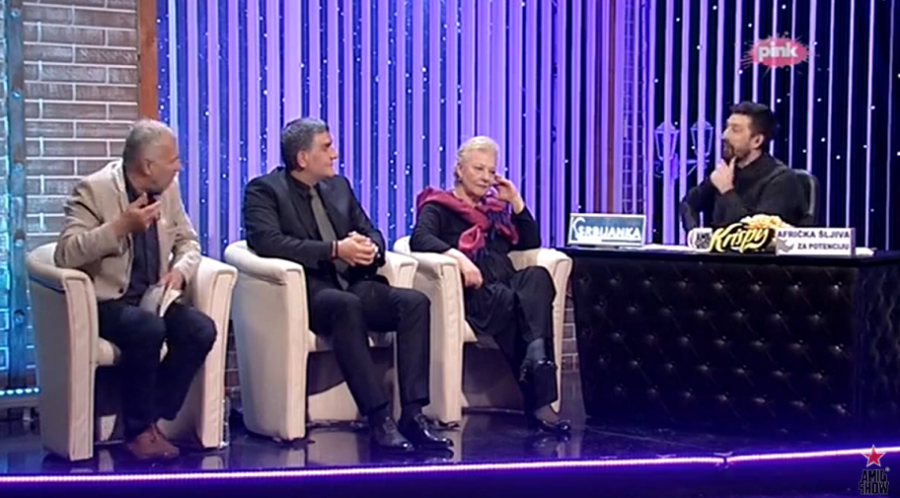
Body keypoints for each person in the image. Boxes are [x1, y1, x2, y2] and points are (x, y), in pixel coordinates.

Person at [242, 117, 452, 453]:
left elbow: (371, 230)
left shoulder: (338, 187)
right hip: (310, 292)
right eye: (326, 147)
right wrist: (334, 250)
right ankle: (379, 419)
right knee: (345, 305)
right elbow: (268, 241)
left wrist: (371, 249)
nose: (335, 154)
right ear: (302, 158)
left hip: (355, 283)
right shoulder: (264, 190)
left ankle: (413, 415)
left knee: (414, 303)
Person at [54, 120, 216, 461]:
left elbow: (189, 242)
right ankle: (138, 431)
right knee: (147, 328)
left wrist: (180, 271)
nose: (179, 167)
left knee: (200, 329)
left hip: (153, 296)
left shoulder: (168, 190)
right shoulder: (93, 190)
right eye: (173, 159)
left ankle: (152, 415)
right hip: (107, 300)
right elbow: (66, 253)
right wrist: (119, 228)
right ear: (147, 165)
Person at [409, 136, 571, 434]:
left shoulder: (495, 209)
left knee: (537, 277)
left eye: (491, 171)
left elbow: (530, 243)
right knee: (512, 302)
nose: (486, 177)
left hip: (506, 284)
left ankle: (536, 355)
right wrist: (458, 257)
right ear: (459, 170)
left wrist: (516, 201)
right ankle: (540, 402)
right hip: (476, 293)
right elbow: (419, 238)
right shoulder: (438, 206)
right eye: (478, 169)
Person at [679, 101, 810, 231]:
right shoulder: (727, 170)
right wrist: (695, 233)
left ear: (757, 141)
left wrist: (727, 191)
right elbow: (688, 204)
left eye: (735, 130)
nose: (724, 135)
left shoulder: (782, 180)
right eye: (726, 127)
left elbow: (757, 235)